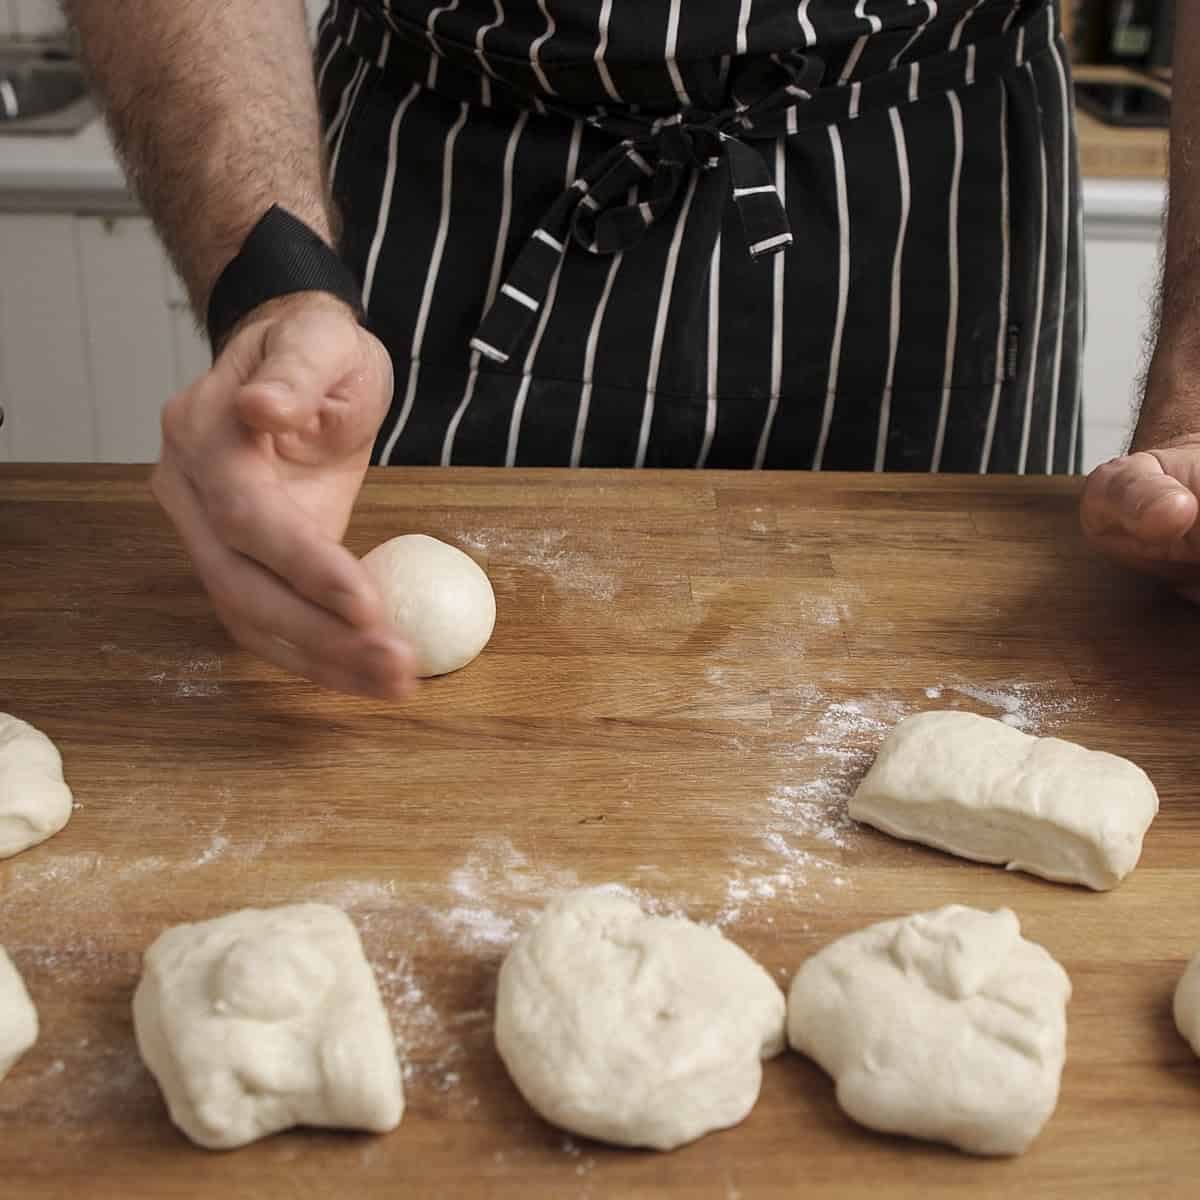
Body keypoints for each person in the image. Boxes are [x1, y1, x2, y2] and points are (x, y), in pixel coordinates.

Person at [63, 1, 1200, 699]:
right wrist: (275, 289)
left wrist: (1197, 390)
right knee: (365, 683)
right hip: (443, 179)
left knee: (962, 678)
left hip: (926, 183)